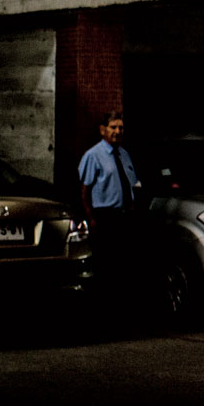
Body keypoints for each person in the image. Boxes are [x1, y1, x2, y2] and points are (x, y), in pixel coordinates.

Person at [75, 111, 143, 287]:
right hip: (105, 217)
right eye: (113, 127)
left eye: (121, 128)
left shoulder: (125, 155)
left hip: (125, 216)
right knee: (105, 266)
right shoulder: (93, 155)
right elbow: (84, 192)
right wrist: (91, 219)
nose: (118, 131)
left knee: (123, 265)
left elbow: (132, 184)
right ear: (102, 130)